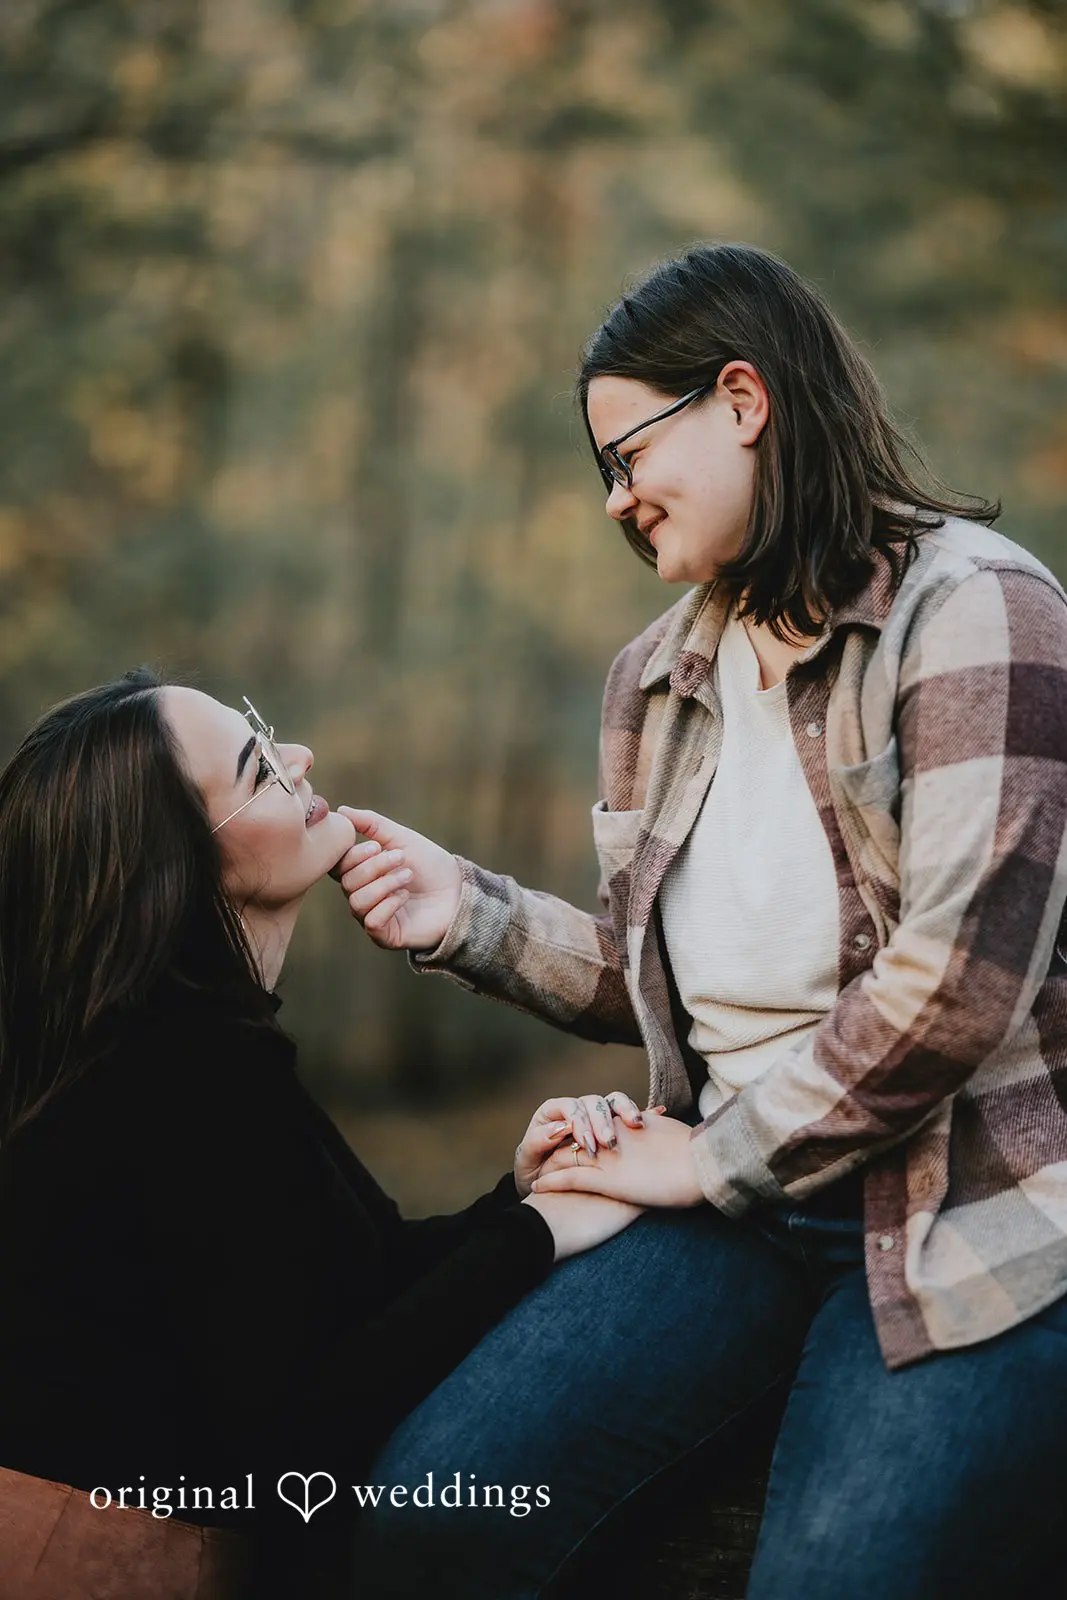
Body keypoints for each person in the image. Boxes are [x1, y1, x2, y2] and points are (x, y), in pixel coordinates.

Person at [335, 243, 1067, 1599]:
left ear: (740, 399)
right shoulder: (653, 679)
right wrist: (465, 912)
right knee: (431, 1514)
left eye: (627, 455)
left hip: (962, 1203)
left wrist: (708, 1159)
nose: (614, 498)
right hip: (732, 1215)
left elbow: (958, 982)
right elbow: (668, 979)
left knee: (831, 1579)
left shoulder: (978, 613)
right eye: (603, 471)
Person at [0, 669, 645, 1600]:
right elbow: (305, 1426)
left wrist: (521, 1194)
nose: (298, 757)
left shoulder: (183, 1051)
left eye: (265, 733)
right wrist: (538, 1231)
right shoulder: (179, 1083)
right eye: (257, 767)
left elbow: (344, 1287)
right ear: (177, 861)